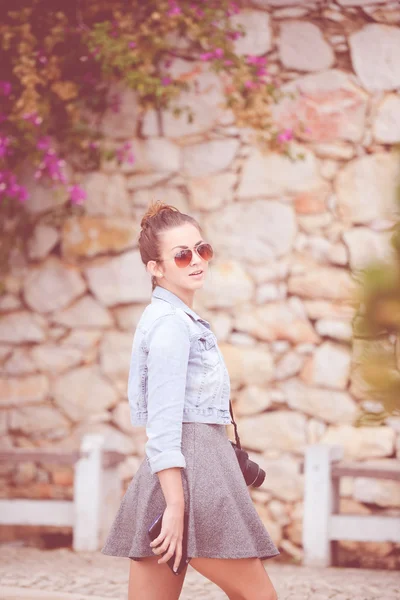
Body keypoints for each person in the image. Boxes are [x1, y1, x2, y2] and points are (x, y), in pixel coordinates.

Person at [101, 200, 279, 600]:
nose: (196, 260)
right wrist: (177, 505)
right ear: (156, 268)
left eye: (202, 249)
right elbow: (163, 422)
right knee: (259, 597)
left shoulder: (174, 319)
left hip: (181, 470)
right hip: (192, 473)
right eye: (182, 255)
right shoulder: (170, 327)